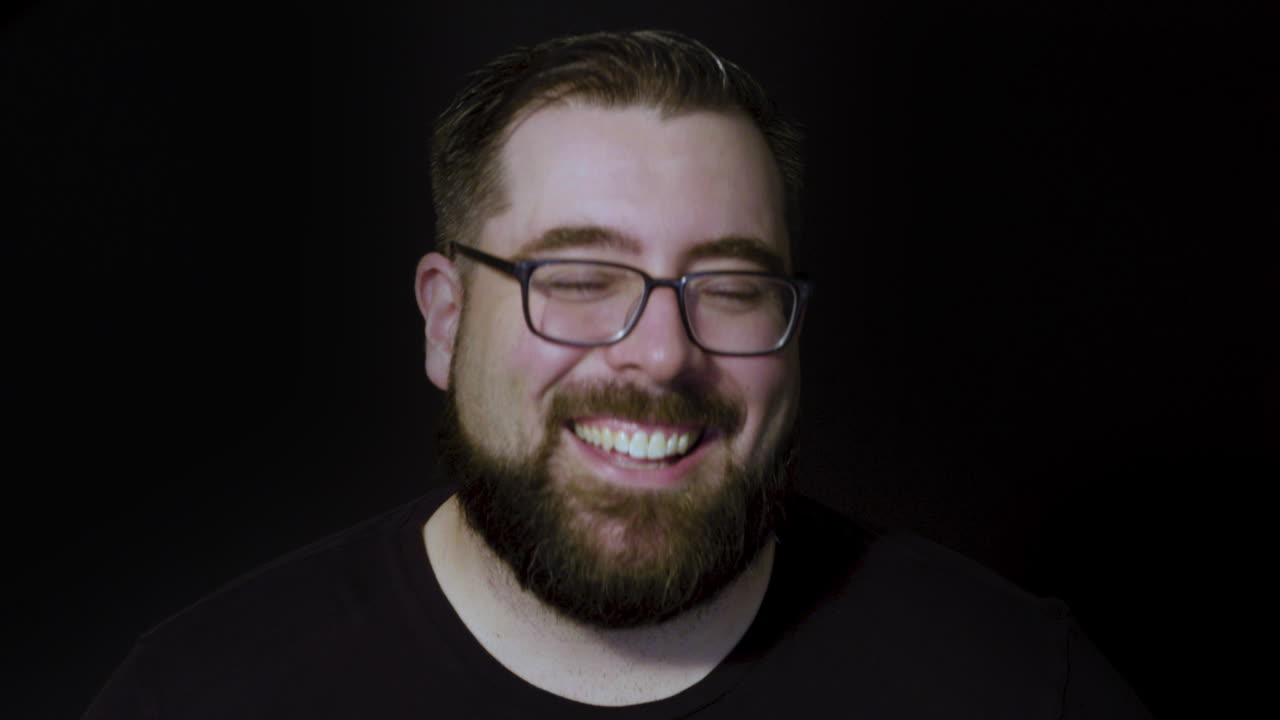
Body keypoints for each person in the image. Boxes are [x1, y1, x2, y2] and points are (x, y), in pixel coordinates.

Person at [85, 30, 1150, 718]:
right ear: (444, 321)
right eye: (581, 277)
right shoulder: (203, 694)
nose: (660, 353)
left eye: (729, 286)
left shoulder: (1011, 687)